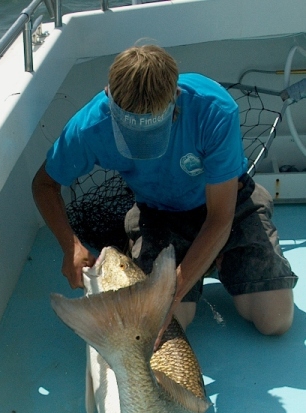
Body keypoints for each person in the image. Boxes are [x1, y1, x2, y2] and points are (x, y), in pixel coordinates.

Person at [32, 44, 297, 337]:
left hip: (226, 204)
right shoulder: (89, 126)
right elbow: (44, 184)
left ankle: (219, 258)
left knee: (275, 319)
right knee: (163, 326)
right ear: (109, 96)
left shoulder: (214, 109)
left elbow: (220, 217)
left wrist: (172, 291)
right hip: (159, 213)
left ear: (176, 100)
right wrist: (70, 246)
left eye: (154, 134)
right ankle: (209, 259)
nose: (143, 147)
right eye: (130, 136)